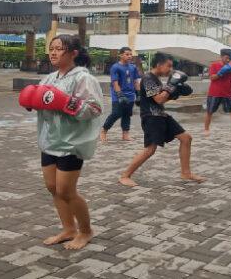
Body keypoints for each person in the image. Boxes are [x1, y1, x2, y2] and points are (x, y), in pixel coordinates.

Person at [19, 34, 104, 250]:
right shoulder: (49, 78)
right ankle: (68, 229)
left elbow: (94, 109)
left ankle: (86, 231)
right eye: (52, 48)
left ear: (73, 53)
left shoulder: (84, 79)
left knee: (66, 191)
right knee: (52, 188)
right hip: (49, 141)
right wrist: (32, 102)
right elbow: (42, 102)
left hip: (71, 144)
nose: (53, 52)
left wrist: (65, 102)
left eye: (59, 49)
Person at [119, 52, 205, 187]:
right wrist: (171, 86)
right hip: (151, 118)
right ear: (159, 65)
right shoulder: (148, 78)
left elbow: (161, 98)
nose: (170, 69)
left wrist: (176, 92)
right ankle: (125, 176)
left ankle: (186, 173)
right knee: (150, 150)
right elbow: (159, 98)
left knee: (186, 138)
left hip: (161, 115)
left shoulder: (156, 78)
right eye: (168, 66)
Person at [100, 47, 141, 143]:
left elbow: (136, 81)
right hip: (118, 94)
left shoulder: (133, 67)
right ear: (121, 55)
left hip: (130, 95)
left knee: (127, 114)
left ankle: (125, 135)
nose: (129, 56)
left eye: (130, 54)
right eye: (127, 54)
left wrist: (139, 94)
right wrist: (119, 94)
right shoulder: (115, 67)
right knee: (116, 113)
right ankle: (104, 131)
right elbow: (115, 82)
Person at [204, 48, 231, 138]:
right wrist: (221, 73)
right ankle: (206, 129)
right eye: (226, 58)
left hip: (228, 93)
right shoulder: (214, 65)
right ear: (221, 56)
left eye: (229, 58)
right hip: (215, 93)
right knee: (209, 111)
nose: (228, 60)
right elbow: (212, 78)